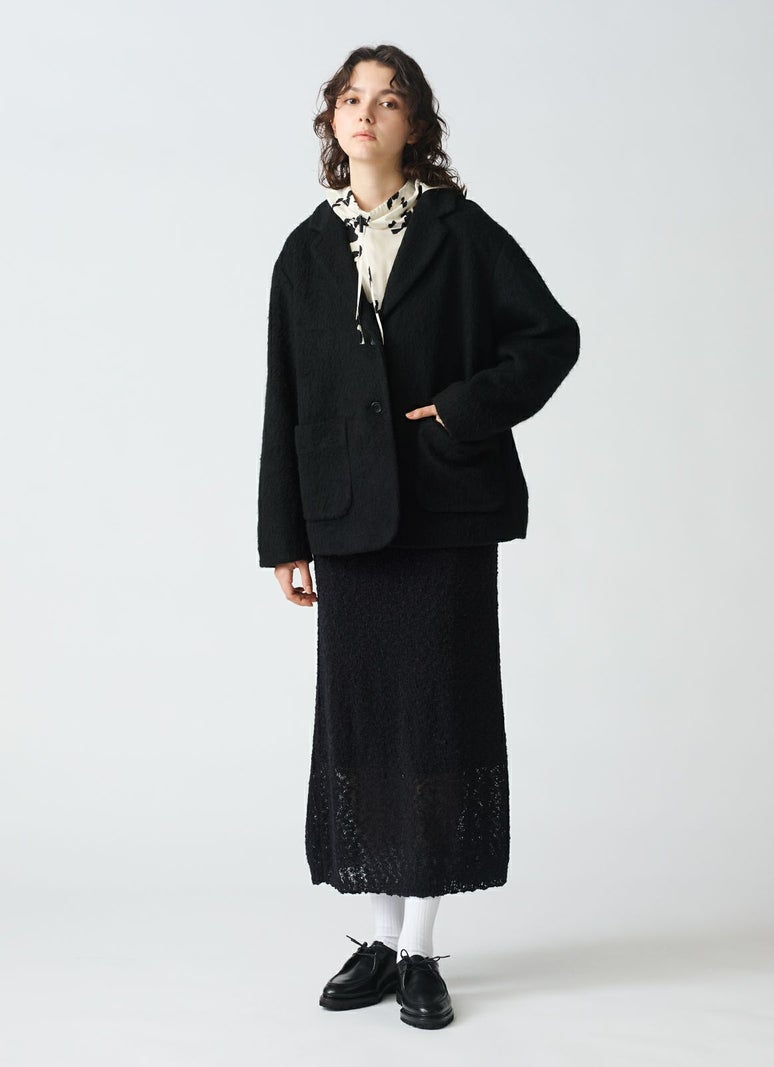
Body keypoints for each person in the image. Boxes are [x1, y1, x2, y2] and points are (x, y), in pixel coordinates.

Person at [257, 44, 580, 1029]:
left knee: (438, 727)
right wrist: (284, 536)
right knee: (361, 729)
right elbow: (284, 401)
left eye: (388, 100)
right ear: (332, 118)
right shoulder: (305, 252)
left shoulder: (460, 232)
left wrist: (459, 410)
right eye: (352, 98)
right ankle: (376, 934)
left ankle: (422, 949)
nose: (367, 112)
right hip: (348, 519)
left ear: (414, 126)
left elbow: (549, 336)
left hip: (445, 514)